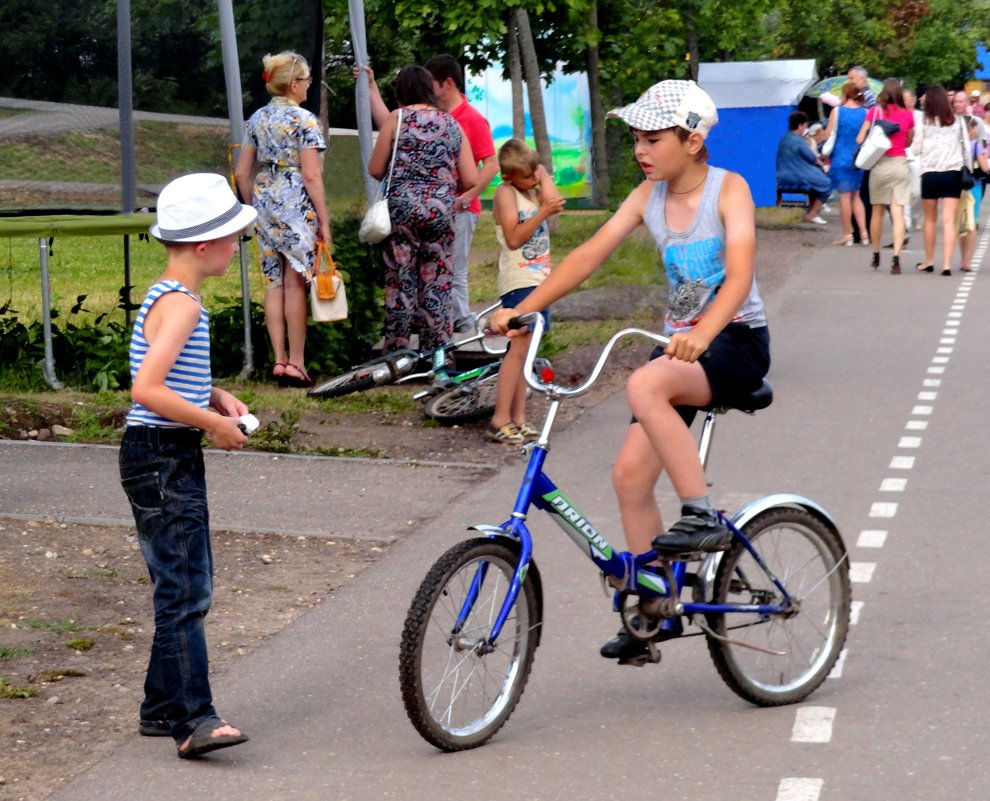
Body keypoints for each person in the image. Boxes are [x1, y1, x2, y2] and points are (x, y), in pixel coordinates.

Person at [490, 79, 770, 662]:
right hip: (680, 350)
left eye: (652, 138)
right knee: (628, 479)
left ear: (692, 140)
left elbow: (739, 276)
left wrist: (701, 333)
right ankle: (655, 608)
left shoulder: (730, 190)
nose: (641, 149)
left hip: (734, 341)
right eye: (636, 138)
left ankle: (700, 515)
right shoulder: (647, 196)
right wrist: (522, 307)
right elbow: (592, 253)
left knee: (644, 381)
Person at [119, 173, 256, 758]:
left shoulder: (167, 296)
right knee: (186, 591)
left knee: (178, 583)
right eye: (233, 237)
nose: (237, 246)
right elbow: (146, 387)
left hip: (159, 454)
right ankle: (194, 720)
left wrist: (213, 395)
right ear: (205, 245)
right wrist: (214, 424)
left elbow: (168, 377)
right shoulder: (182, 306)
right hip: (164, 457)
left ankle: (159, 707)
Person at [367, 65, 480, 352]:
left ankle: (397, 355)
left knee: (400, 281)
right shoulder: (452, 123)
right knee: (438, 284)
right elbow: (470, 178)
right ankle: (437, 357)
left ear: (401, 92)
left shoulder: (397, 119)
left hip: (401, 213)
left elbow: (376, 168)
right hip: (440, 214)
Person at [235, 51, 330, 388]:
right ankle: (297, 363)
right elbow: (312, 176)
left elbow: (242, 173)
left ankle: (277, 360)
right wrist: (325, 221)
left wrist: (253, 207)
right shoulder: (305, 121)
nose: (309, 86)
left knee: (273, 284)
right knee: (295, 283)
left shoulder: (256, 119)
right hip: (295, 203)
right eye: (306, 81)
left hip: (264, 199)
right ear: (293, 84)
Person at [489, 138, 565, 444]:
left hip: (539, 281)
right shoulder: (505, 193)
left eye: (535, 172)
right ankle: (500, 418)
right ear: (508, 177)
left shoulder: (532, 189)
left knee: (527, 353)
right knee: (517, 349)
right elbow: (514, 239)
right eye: (528, 175)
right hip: (518, 281)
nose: (533, 179)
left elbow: (555, 202)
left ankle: (518, 417)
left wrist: (541, 173)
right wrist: (542, 212)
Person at [424, 55, 500, 333]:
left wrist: (468, 197)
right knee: (437, 267)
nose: (427, 88)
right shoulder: (434, 114)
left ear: (447, 83)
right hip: (435, 206)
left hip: (461, 208)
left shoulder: (473, 119)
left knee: (455, 269)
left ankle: (464, 327)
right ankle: (444, 323)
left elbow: (492, 165)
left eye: (431, 83)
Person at [856, 78, 915, 274]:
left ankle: (875, 254)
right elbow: (908, 142)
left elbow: (859, 138)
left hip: (879, 166)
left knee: (877, 211)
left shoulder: (875, 112)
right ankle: (896, 256)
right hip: (899, 164)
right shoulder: (908, 115)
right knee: (897, 212)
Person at [910, 86, 966, 275]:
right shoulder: (957, 121)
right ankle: (947, 264)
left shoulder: (923, 122)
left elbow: (916, 149)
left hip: (930, 173)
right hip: (952, 173)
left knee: (930, 220)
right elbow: (965, 146)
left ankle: (929, 260)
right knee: (949, 221)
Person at [821, 81, 868, 245]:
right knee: (857, 197)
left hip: (840, 158)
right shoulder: (865, 112)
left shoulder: (837, 111)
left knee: (844, 197)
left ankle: (847, 234)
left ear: (845, 94)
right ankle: (864, 234)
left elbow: (827, 135)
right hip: (858, 159)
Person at [776, 111, 832, 224]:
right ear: (800, 125)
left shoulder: (785, 137)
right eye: (805, 126)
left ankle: (811, 212)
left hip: (781, 175)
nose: (805, 129)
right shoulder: (798, 141)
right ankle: (813, 214)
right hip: (795, 176)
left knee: (816, 182)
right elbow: (811, 157)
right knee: (826, 183)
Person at [958, 115, 988, 272]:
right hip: (973, 186)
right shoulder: (976, 146)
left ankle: (962, 258)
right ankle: (968, 261)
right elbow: (984, 167)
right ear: (969, 129)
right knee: (971, 225)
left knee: (962, 225)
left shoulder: (956, 145)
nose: (976, 130)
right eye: (974, 127)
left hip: (957, 187)